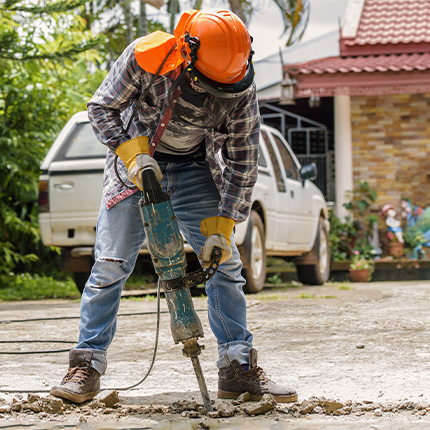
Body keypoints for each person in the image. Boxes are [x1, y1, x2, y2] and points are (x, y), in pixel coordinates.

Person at [50, 8, 298, 405]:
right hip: (136, 166)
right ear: (188, 56)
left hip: (196, 167)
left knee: (225, 263)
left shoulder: (240, 86)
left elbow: (243, 160)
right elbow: (101, 108)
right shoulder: (146, 58)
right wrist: (132, 154)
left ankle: (237, 368)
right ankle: (86, 367)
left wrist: (223, 226)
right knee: (110, 265)